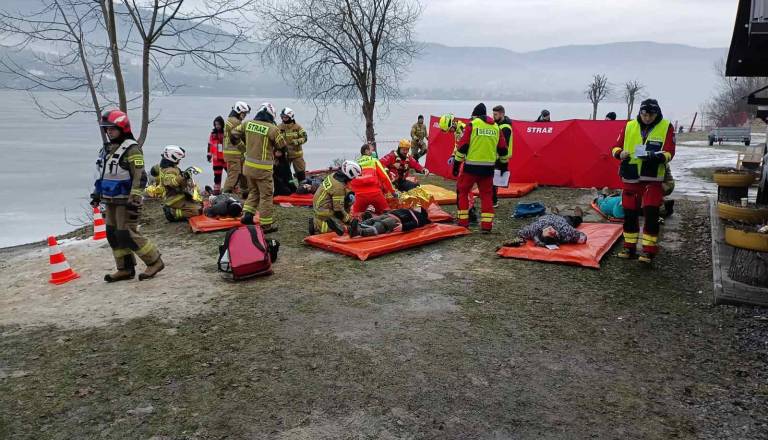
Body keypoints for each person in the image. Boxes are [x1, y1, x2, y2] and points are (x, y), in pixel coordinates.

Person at [91, 110, 163, 282]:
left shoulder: (132, 149)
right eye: (106, 129)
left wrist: (135, 197)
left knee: (126, 233)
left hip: (126, 200)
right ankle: (125, 268)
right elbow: (102, 174)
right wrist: (96, 193)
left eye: (112, 128)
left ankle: (154, 261)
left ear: (122, 128)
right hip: (110, 199)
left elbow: (140, 176)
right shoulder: (106, 149)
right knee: (112, 233)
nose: (109, 132)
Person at [612, 98, 676, 263]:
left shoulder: (666, 126)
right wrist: (620, 153)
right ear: (640, 112)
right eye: (644, 114)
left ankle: (648, 251)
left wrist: (658, 156)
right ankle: (629, 247)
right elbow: (615, 147)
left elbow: (670, 151)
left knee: (651, 214)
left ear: (657, 113)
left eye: (651, 114)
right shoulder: (629, 126)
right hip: (630, 176)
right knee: (630, 214)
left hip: (652, 178)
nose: (647, 117)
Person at [231, 102, 288, 232]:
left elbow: (233, 134)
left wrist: (243, 147)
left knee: (254, 192)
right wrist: (279, 155)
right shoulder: (272, 129)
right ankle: (266, 225)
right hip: (263, 169)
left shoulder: (247, 124)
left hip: (248, 167)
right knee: (266, 196)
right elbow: (282, 146)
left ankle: (247, 215)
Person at [453, 103, 509, 232]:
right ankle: (486, 225)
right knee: (487, 196)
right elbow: (503, 149)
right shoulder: (496, 127)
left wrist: (456, 164)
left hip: (471, 168)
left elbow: (462, 147)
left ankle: (463, 222)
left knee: (462, 192)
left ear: (475, 116)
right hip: (488, 169)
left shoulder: (472, 125)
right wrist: (504, 166)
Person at [150, 145, 203, 222]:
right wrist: (183, 176)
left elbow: (155, 170)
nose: (179, 161)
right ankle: (172, 213)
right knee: (196, 211)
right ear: (173, 157)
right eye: (178, 159)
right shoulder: (169, 171)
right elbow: (171, 183)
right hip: (175, 199)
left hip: (179, 195)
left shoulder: (165, 166)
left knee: (199, 204)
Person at [310, 160, 361, 235]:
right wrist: (350, 220)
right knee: (343, 230)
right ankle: (317, 227)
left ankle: (319, 223)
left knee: (350, 197)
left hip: (319, 205)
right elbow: (338, 211)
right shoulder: (338, 186)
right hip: (324, 211)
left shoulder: (334, 175)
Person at [513, 207, 587, 247]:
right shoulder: (565, 231)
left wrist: (538, 241)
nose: (551, 231)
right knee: (572, 220)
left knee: (551, 214)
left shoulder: (533, 229)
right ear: (556, 236)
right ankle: (579, 216)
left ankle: (554, 212)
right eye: (553, 234)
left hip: (547, 216)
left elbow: (519, 232)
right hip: (562, 220)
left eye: (548, 232)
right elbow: (583, 238)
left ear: (542, 234)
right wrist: (568, 237)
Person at [221, 101, 250, 196]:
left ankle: (245, 191)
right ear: (238, 111)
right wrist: (245, 148)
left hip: (232, 152)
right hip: (234, 153)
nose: (244, 115)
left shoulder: (230, 120)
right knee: (234, 174)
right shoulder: (235, 122)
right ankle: (225, 194)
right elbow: (236, 138)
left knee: (243, 173)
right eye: (243, 113)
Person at [348, 207, 431, 237]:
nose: (416, 207)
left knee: (379, 225)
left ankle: (359, 232)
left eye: (418, 207)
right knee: (372, 220)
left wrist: (404, 227)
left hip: (396, 220)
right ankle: (357, 226)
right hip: (389, 215)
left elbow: (415, 223)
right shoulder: (409, 210)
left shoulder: (420, 216)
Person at [278, 107, 308, 181]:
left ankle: (302, 186)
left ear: (290, 117)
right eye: (283, 116)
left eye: (286, 117)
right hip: (285, 155)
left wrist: (296, 141)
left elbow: (305, 137)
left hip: (297, 155)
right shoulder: (279, 127)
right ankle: (287, 188)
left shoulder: (297, 127)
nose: (284, 118)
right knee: (284, 174)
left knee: (300, 173)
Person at [492, 105, 513, 208]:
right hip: (496, 156)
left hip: (500, 157)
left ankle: (494, 201)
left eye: (495, 114)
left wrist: (502, 161)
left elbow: (504, 145)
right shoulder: (498, 124)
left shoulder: (505, 128)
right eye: (493, 114)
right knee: (493, 179)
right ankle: (493, 200)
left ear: (502, 114)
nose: (493, 116)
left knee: (494, 180)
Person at [207, 116, 226, 195]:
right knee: (217, 176)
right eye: (216, 124)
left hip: (225, 158)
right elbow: (209, 145)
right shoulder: (212, 134)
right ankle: (216, 191)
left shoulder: (225, 133)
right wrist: (209, 155)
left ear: (222, 124)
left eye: (218, 124)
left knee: (231, 174)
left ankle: (232, 189)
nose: (217, 126)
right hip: (216, 159)